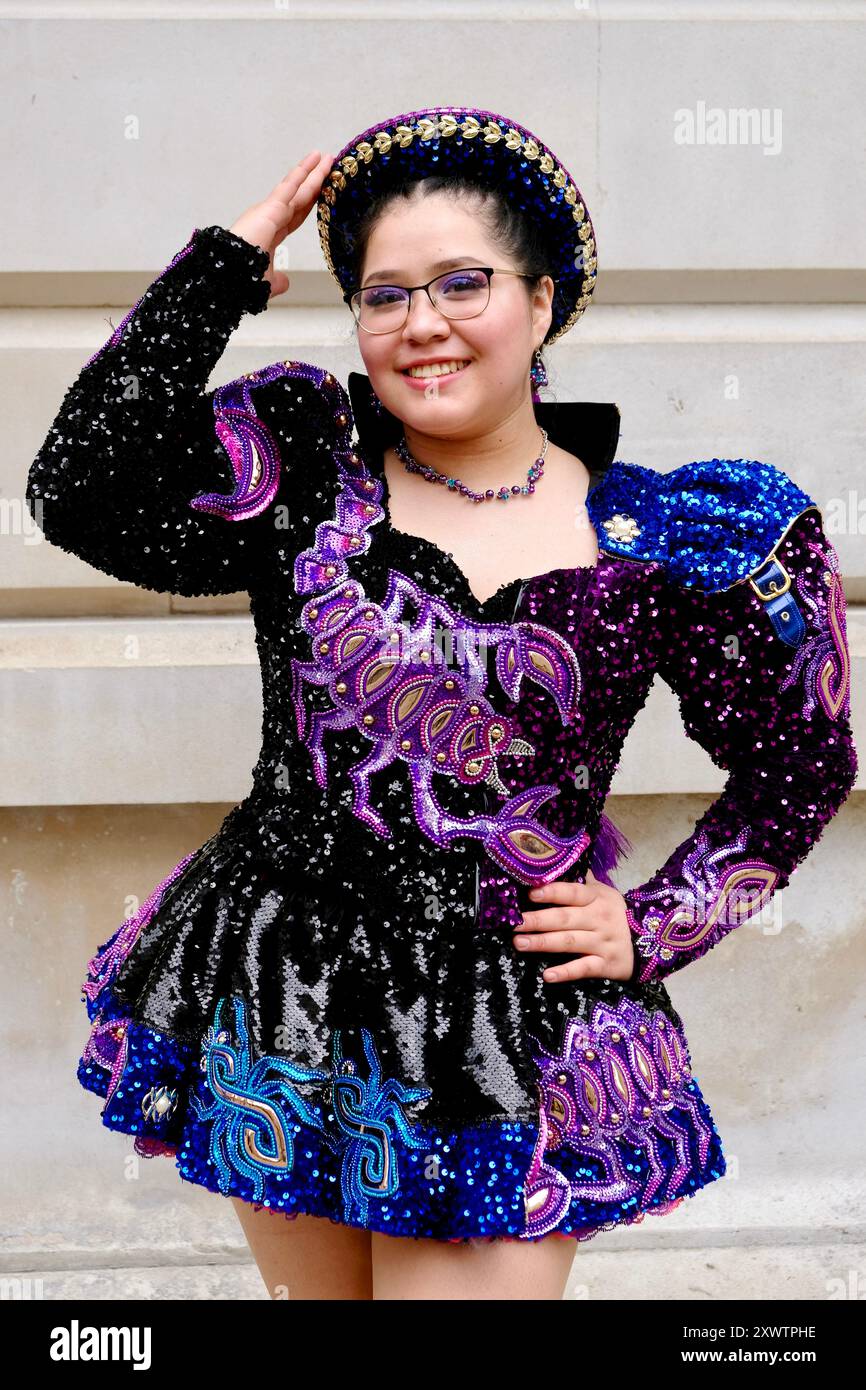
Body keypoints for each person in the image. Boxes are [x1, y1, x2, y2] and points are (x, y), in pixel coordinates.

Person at [26, 107, 858, 1302]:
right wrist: (221, 266)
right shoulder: (303, 470)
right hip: (288, 995)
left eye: (461, 283)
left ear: (542, 298)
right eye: (382, 294)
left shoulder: (669, 538)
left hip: (505, 1023)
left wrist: (658, 921)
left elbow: (798, 767)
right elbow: (78, 488)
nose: (420, 324)